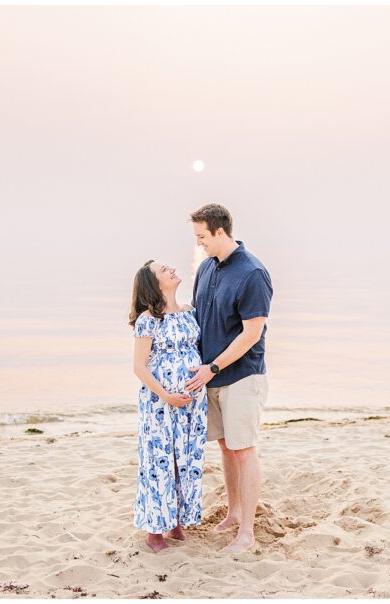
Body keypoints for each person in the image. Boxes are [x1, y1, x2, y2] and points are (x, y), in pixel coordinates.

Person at [184, 203, 273, 554]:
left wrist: (214, 367)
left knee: (244, 450)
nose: (199, 243)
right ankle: (234, 512)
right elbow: (197, 318)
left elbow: (251, 333)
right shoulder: (206, 267)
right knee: (225, 446)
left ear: (220, 231)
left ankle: (247, 533)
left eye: (202, 236)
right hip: (211, 377)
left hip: (240, 377)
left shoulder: (252, 273)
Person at [130, 259, 208, 553]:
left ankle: (175, 521)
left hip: (191, 405)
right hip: (160, 403)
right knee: (160, 459)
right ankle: (154, 532)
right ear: (155, 284)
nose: (172, 270)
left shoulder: (190, 313)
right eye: (165, 270)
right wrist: (166, 395)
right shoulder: (148, 319)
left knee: (185, 459)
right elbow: (139, 367)